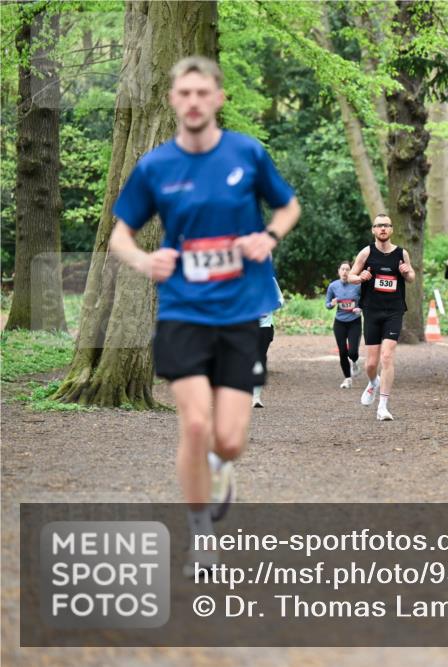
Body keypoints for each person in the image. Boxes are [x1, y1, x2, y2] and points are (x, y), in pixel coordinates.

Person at [108, 56, 300, 576]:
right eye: (184, 93)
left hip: (241, 313)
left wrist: (269, 236)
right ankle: (201, 537)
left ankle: (220, 469)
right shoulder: (156, 167)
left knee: (229, 439)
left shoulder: (247, 153)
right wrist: (145, 259)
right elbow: (118, 235)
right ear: (174, 99)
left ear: (217, 98)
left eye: (202, 93)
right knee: (194, 424)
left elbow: (287, 207)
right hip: (183, 311)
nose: (193, 101)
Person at [348, 213, 415, 421]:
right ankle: (373, 383)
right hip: (371, 311)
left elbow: (412, 277)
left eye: (386, 225)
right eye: (379, 226)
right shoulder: (366, 252)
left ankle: (383, 406)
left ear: (392, 229)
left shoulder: (401, 254)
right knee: (370, 364)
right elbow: (350, 276)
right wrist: (360, 278)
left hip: (394, 310)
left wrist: (406, 272)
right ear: (373, 230)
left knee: (387, 357)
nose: (383, 229)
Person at [325, 261, 362, 388]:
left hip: (354, 322)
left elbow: (365, 301)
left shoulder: (357, 285)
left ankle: (355, 361)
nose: (345, 272)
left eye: (347, 269)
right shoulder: (333, 286)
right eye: (342, 269)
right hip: (339, 323)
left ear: (351, 271)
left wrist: (360, 308)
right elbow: (327, 304)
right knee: (342, 351)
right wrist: (332, 303)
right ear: (339, 271)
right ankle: (347, 379)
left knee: (352, 352)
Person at [253, 275, 284, 407]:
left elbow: (281, 300)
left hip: (265, 327)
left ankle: (256, 398)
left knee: (259, 359)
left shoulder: (269, 279)